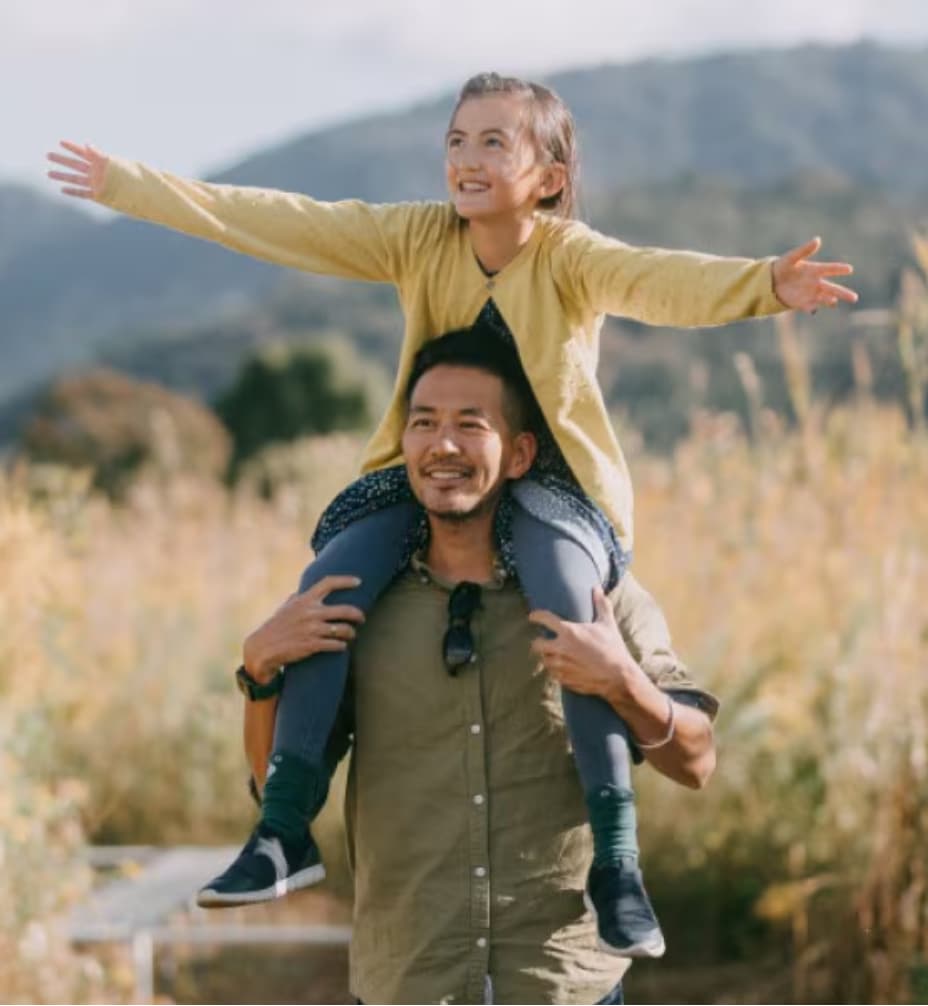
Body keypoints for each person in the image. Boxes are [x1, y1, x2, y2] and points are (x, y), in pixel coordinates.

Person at [47, 71, 856, 955]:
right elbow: (285, 219)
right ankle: (283, 832)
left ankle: (617, 863)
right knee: (330, 585)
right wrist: (131, 186)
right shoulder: (417, 238)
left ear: (548, 174)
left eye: (494, 143)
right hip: (432, 469)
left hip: (551, 487)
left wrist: (763, 285)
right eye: (457, 141)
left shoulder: (567, 255)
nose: (467, 160)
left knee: (572, 616)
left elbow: (657, 281)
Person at [232, 332, 720, 1003]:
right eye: (424, 423)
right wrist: (259, 674)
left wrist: (623, 682)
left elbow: (696, 763)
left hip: (563, 984)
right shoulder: (352, 604)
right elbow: (274, 787)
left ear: (520, 454)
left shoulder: (599, 599)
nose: (444, 446)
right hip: (409, 980)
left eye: (471, 425)